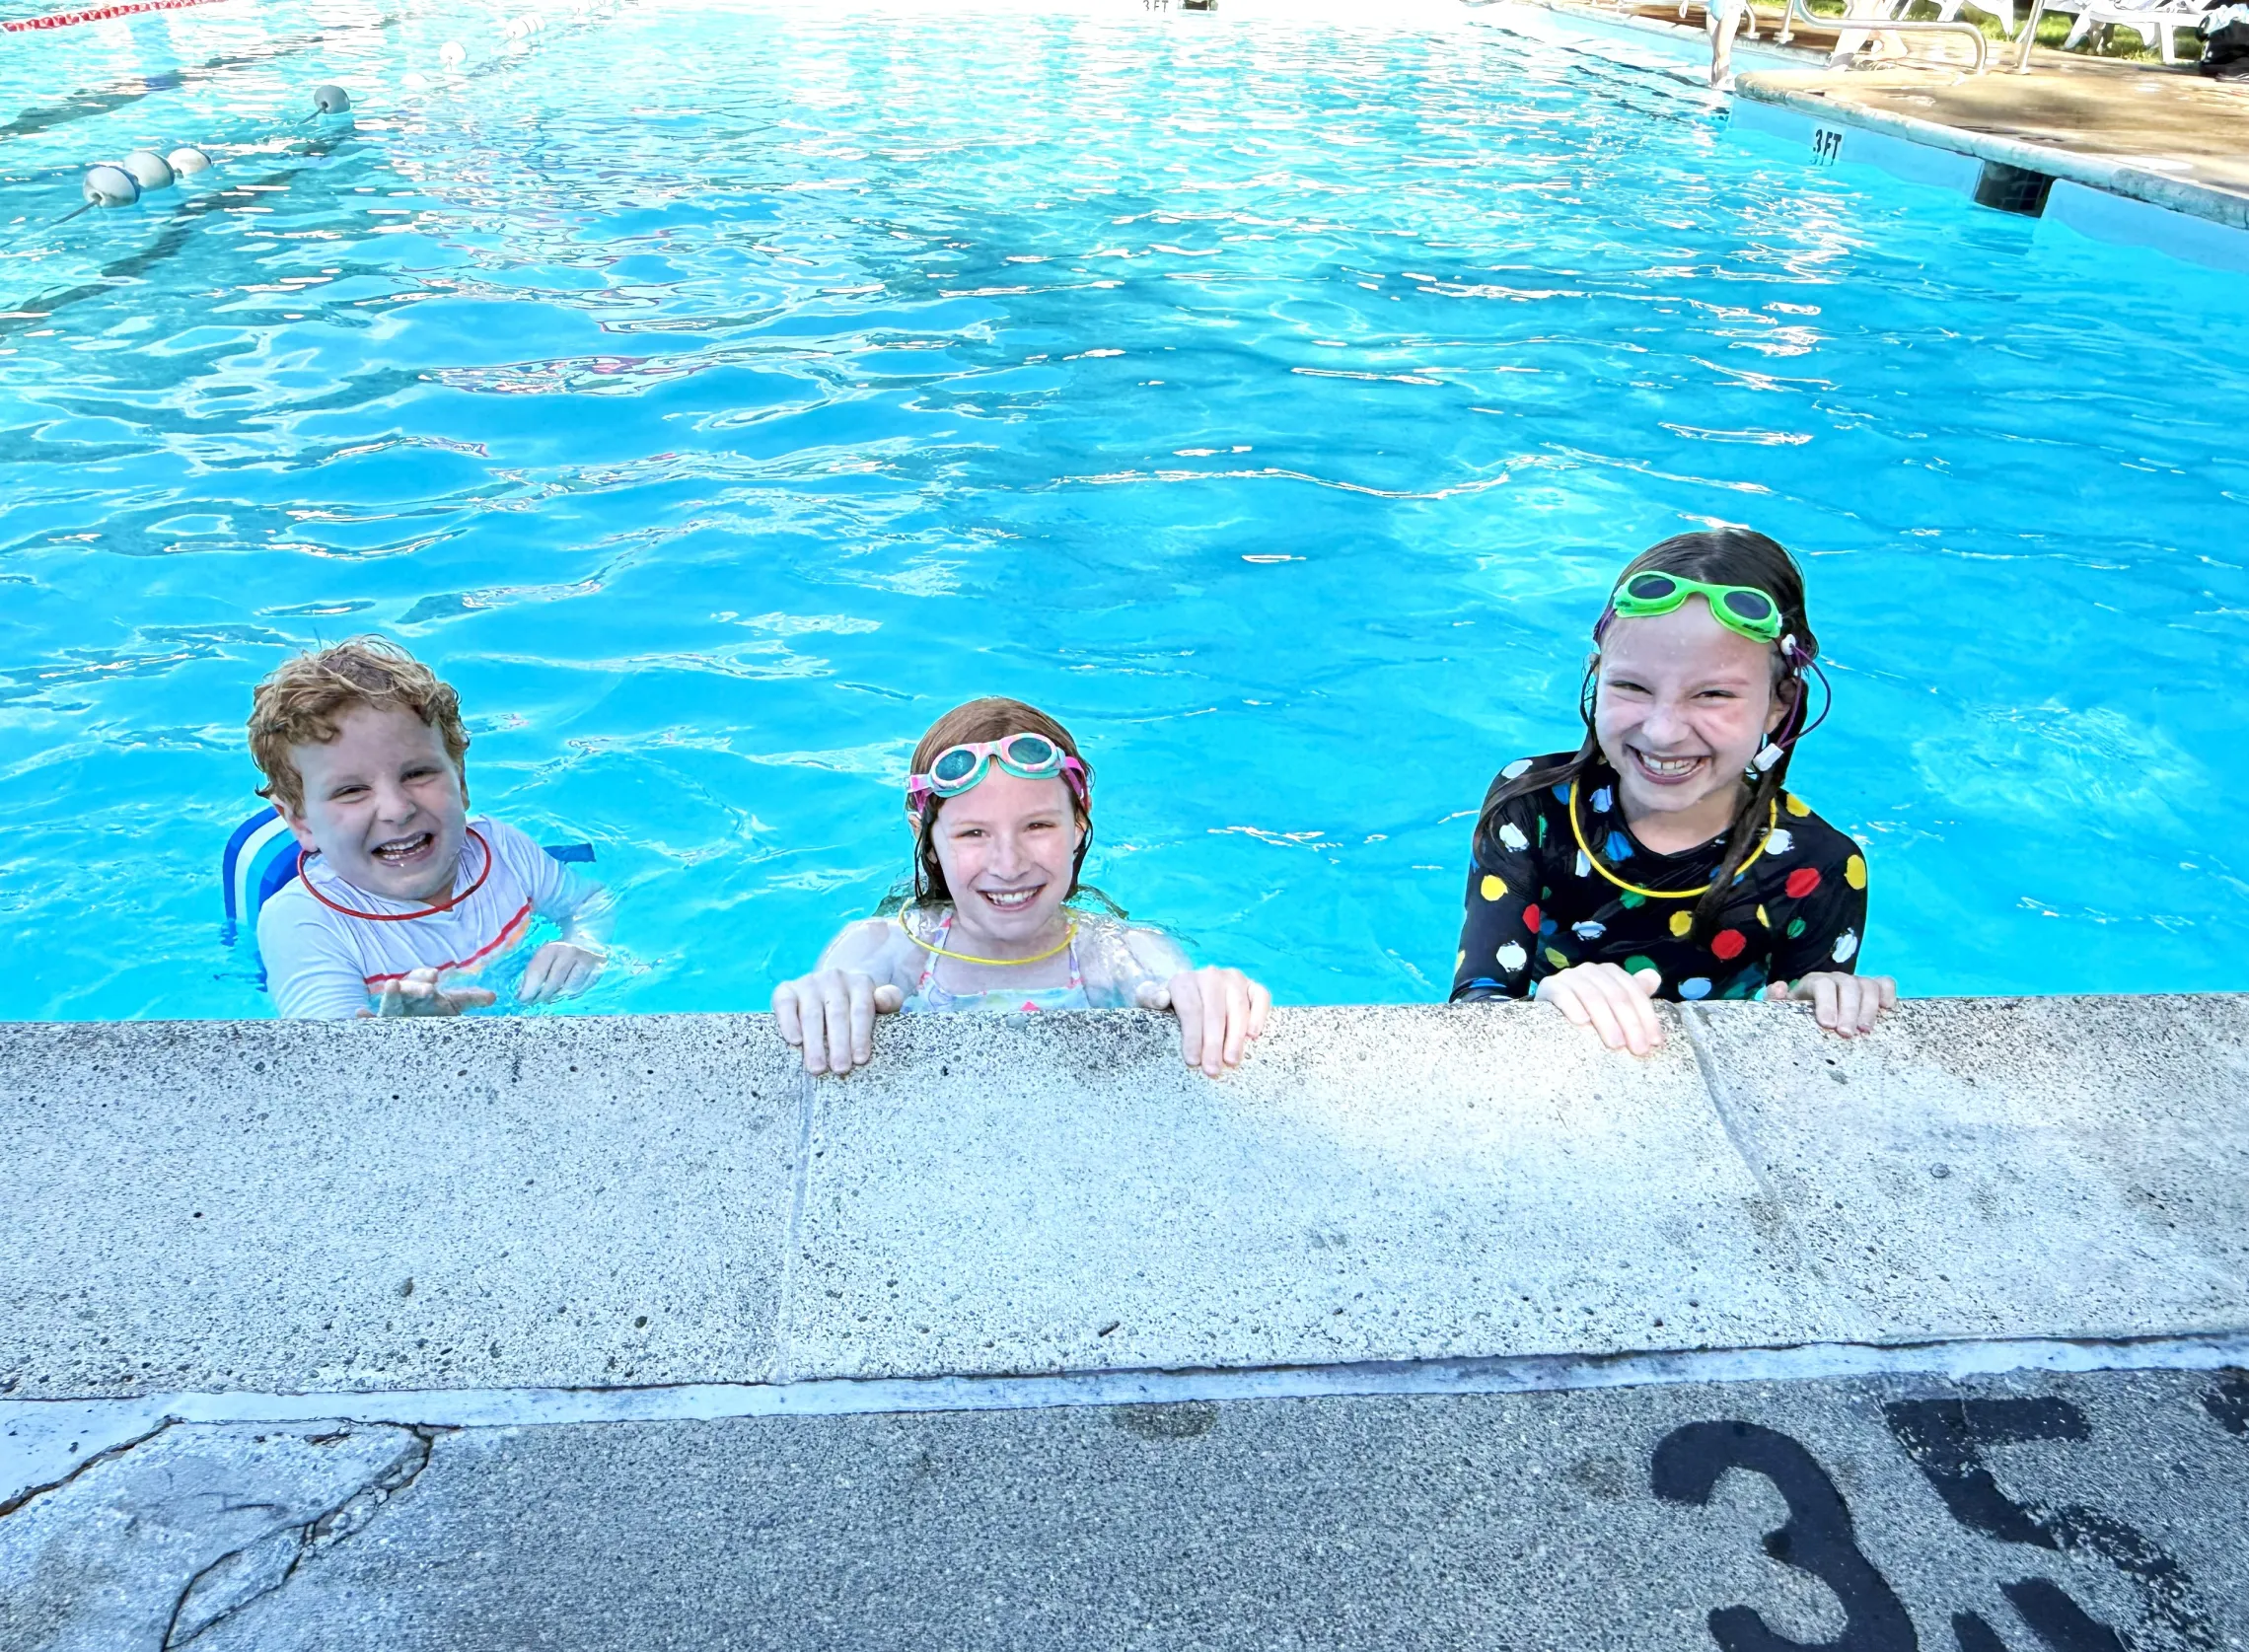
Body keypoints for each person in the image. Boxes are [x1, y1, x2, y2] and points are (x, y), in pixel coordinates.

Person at [1450, 529, 1896, 1052]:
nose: (1662, 731)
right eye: (1632, 686)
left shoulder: (1818, 867)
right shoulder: (1532, 807)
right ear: (1597, 675)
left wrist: (1820, 1004)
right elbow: (1474, 1012)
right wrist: (1546, 1002)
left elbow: (1806, 1064)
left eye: (1712, 694)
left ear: (1780, 702)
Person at [772, 696, 1271, 1078]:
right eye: (973, 833)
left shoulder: (1115, 954)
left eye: (1037, 827)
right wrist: (828, 993)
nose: (1008, 865)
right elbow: (837, 991)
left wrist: (1208, 994)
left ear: (1079, 822)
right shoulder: (889, 948)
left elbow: (1178, 989)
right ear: (925, 840)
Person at [247, 637, 612, 1018]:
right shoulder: (303, 923)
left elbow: (590, 903)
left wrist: (583, 945)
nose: (397, 809)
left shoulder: (502, 850)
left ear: (461, 781)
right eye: (352, 790)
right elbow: (326, 1060)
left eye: (418, 773)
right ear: (301, 823)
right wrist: (409, 1039)